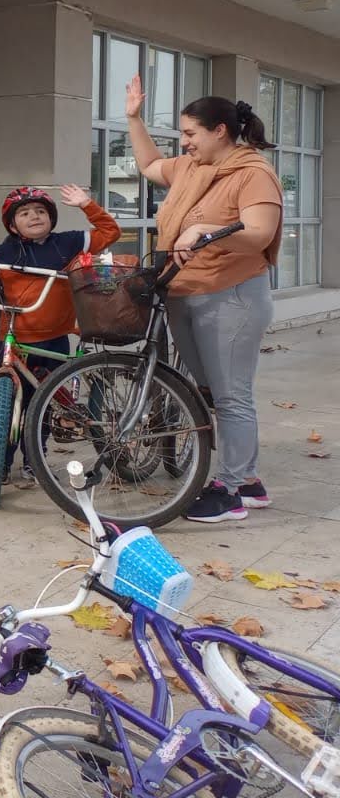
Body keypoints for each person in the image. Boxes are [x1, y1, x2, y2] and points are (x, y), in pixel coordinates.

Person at [125, 78, 284, 524]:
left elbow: (259, 235)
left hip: (231, 296)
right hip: (183, 292)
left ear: (220, 131)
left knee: (232, 396)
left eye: (190, 133)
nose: (184, 141)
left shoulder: (252, 173)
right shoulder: (192, 168)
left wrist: (207, 233)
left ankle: (233, 489)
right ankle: (247, 480)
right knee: (210, 390)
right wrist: (134, 118)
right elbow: (151, 164)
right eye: (182, 134)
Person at [0, 183, 121, 478]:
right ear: (12, 225)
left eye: (41, 211)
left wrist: (87, 204)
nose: (34, 216)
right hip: (15, 341)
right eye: (25, 213)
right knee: (8, 406)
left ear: (52, 217)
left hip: (55, 340)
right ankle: (2, 463)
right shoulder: (6, 252)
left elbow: (111, 233)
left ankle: (35, 458)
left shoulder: (69, 243)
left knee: (42, 404)